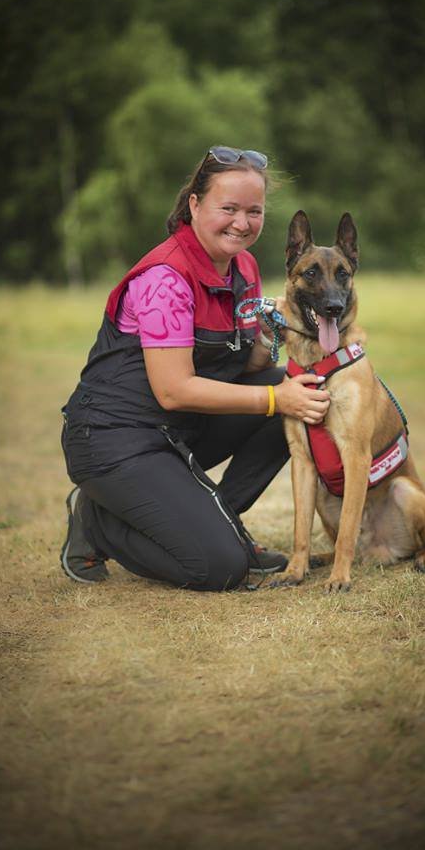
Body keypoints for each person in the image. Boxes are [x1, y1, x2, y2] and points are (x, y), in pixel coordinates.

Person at [59, 145, 331, 591]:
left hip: (178, 430)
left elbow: (245, 366)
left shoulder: (242, 265)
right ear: (194, 205)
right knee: (220, 568)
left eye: (254, 211)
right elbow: (173, 390)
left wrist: (270, 337)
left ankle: (219, 523)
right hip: (115, 439)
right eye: (229, 208)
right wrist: (275, 397)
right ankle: (97, 522)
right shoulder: (165, 277)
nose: (242, 223)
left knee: (293, 395)